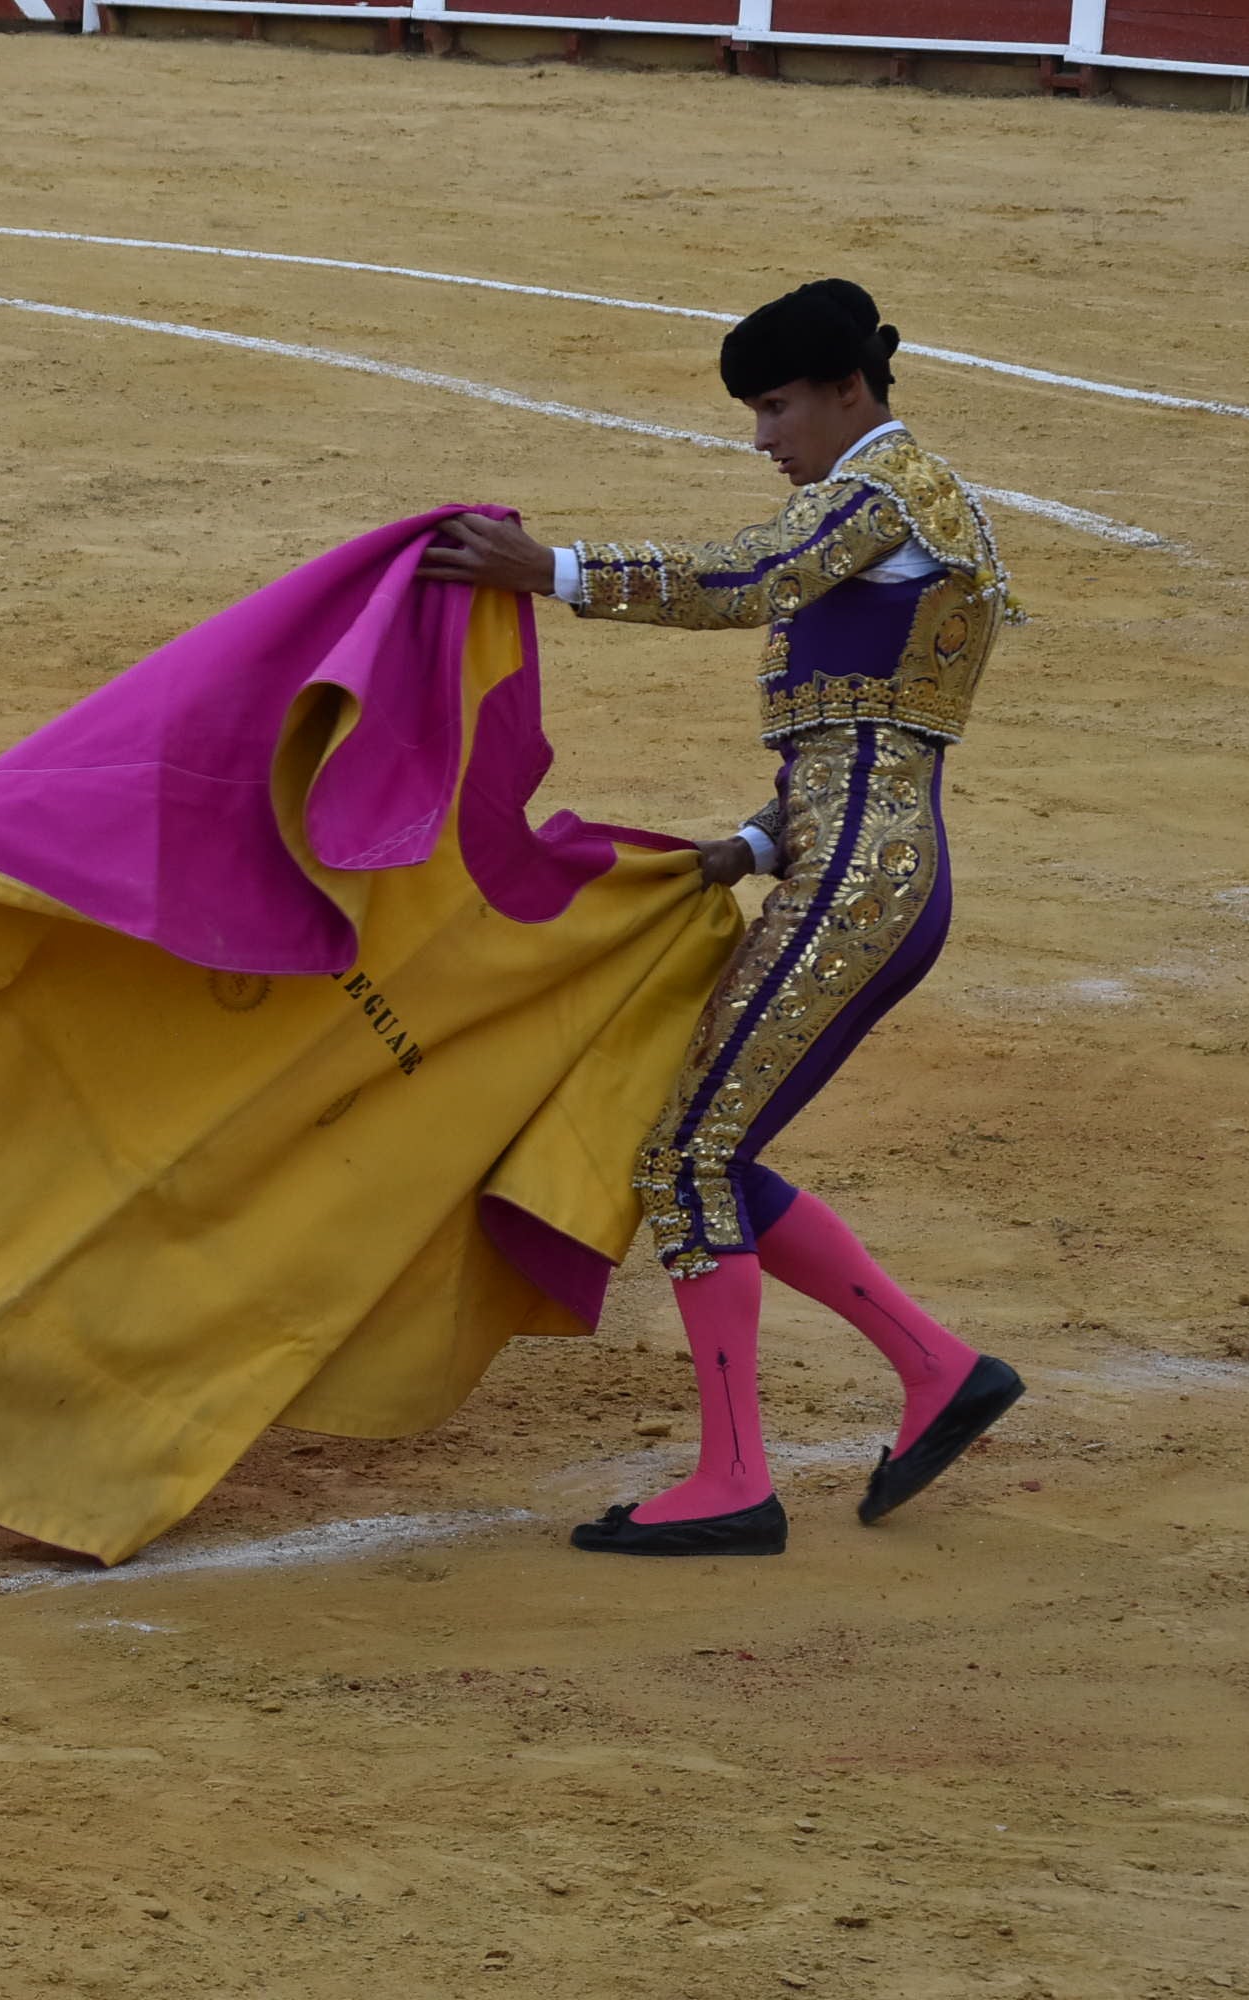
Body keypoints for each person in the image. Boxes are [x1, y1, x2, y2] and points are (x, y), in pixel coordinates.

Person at [419, 278, 1026, 1557]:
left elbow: (749, 577)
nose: (763, 438)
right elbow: (869, 726)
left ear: (847, 392)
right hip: (858, 860)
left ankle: (735, 1480)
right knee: (717, 1148)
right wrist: (747, 843)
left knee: (683, 1158)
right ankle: (936, 1369)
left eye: (776, 406)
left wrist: (557, 572)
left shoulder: (877, 490)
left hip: (858, 876)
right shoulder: (898, 498)